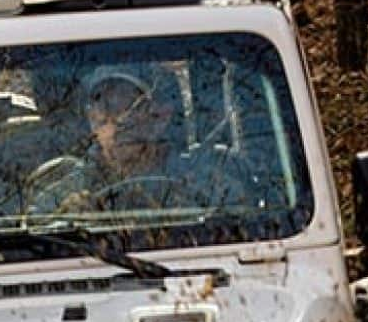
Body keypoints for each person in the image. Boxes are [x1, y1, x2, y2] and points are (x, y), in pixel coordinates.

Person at [30, 65, 235, 214]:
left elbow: (240, 218)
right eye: (104, 110)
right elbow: (35, 234)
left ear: (160, 116)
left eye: (130, 107)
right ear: (92, 121)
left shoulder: (202, 180)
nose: (118, 125)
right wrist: (69, 220)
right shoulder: (65, 190)